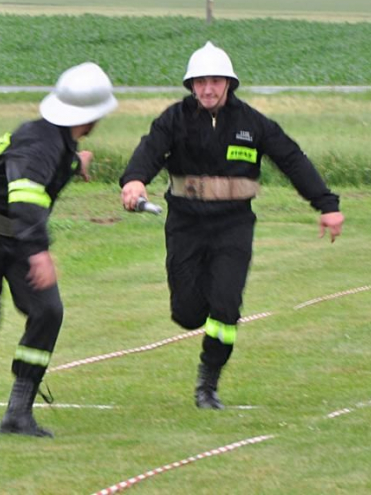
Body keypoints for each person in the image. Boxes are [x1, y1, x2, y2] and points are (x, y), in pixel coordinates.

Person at [120, 41, 345, 409]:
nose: (208, 89)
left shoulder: (253, 124)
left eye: (215, 81)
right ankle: (197, 315)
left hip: (233, 226)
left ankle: (208, 383)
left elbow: (292, 160)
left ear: (229, 84)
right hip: (185, 224)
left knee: (225, 308)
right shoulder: (173, 119)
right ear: (191, 85)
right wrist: (134, 180)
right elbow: (149, 150)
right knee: (187, 314)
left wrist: (326, 204)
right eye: (200, 82)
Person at [0, 62, 118, 437]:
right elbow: (24, 196)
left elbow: (49, 167)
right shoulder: (40, 143)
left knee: (47, 311)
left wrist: (75, 163)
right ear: (92, 117)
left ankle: (19, 412)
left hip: (14, 234)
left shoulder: (58, 139)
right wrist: (39, 252)